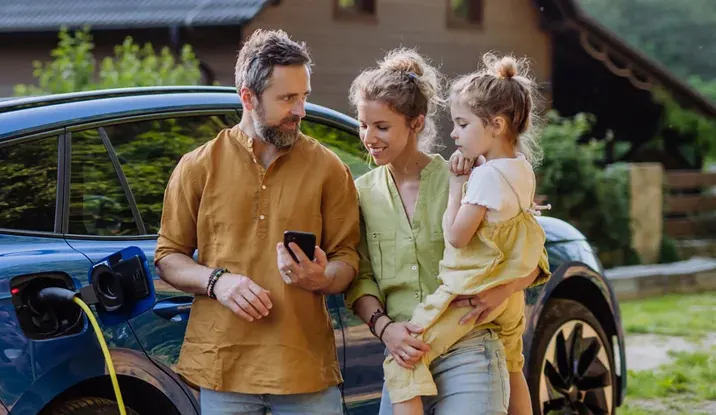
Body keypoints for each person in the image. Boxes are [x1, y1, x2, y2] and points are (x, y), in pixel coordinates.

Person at [154, 28, 361, 414]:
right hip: (223, 368)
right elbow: (168, 257)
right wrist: (218, 282)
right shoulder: (198, 166)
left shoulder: (329, 169)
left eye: (303, 96)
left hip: (304, 370)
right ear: (248, 98)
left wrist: (321, 277)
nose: (300, 111)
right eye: (287, 98)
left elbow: (347, 259)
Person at [344, 48, 550, 415]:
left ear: (417, 123)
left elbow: (531, 257)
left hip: (470, 346)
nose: (368, 137)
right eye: (363, 125)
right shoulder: (361, 194)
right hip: (406, 356)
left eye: (382, 127)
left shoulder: (469, 176)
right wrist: (385, 328)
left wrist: (499, 292)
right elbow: (361, 278)